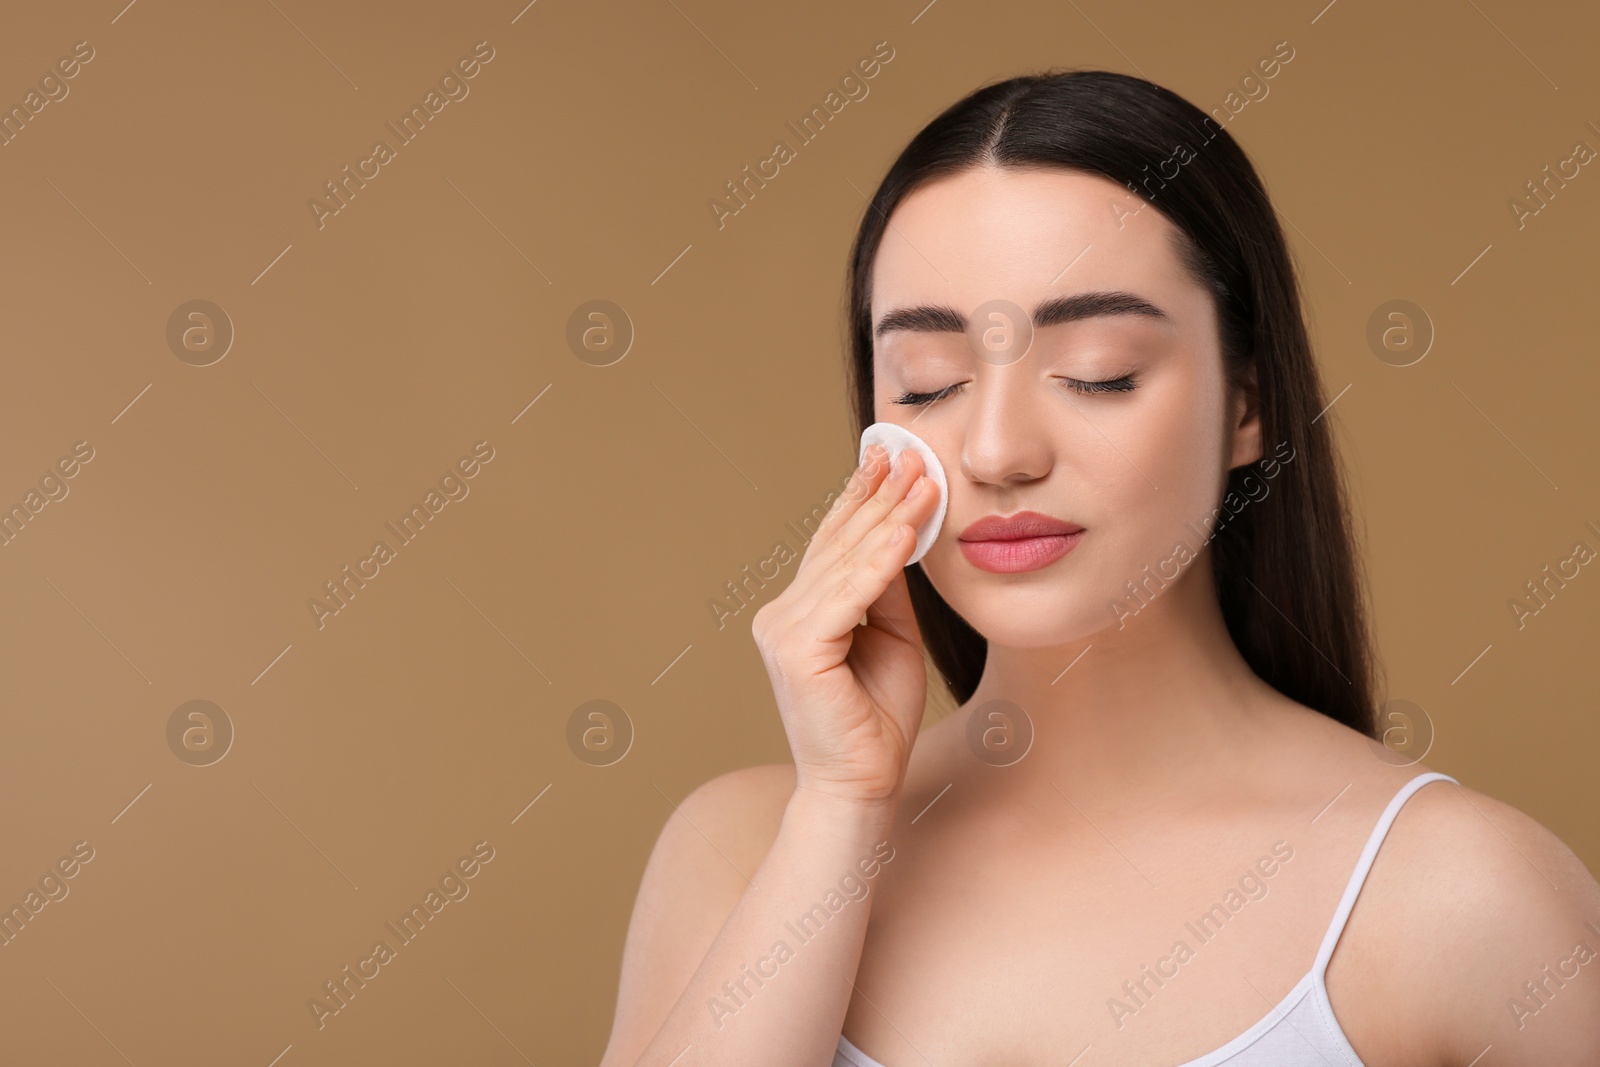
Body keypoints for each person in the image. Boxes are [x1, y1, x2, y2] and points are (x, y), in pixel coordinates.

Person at [598, 69, 1600, 1066]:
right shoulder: (740, 849)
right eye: (928, 382)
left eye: (1097, 371)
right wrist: (840, 806)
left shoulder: (1458, 897)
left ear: (1246, 407)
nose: (995, 450)